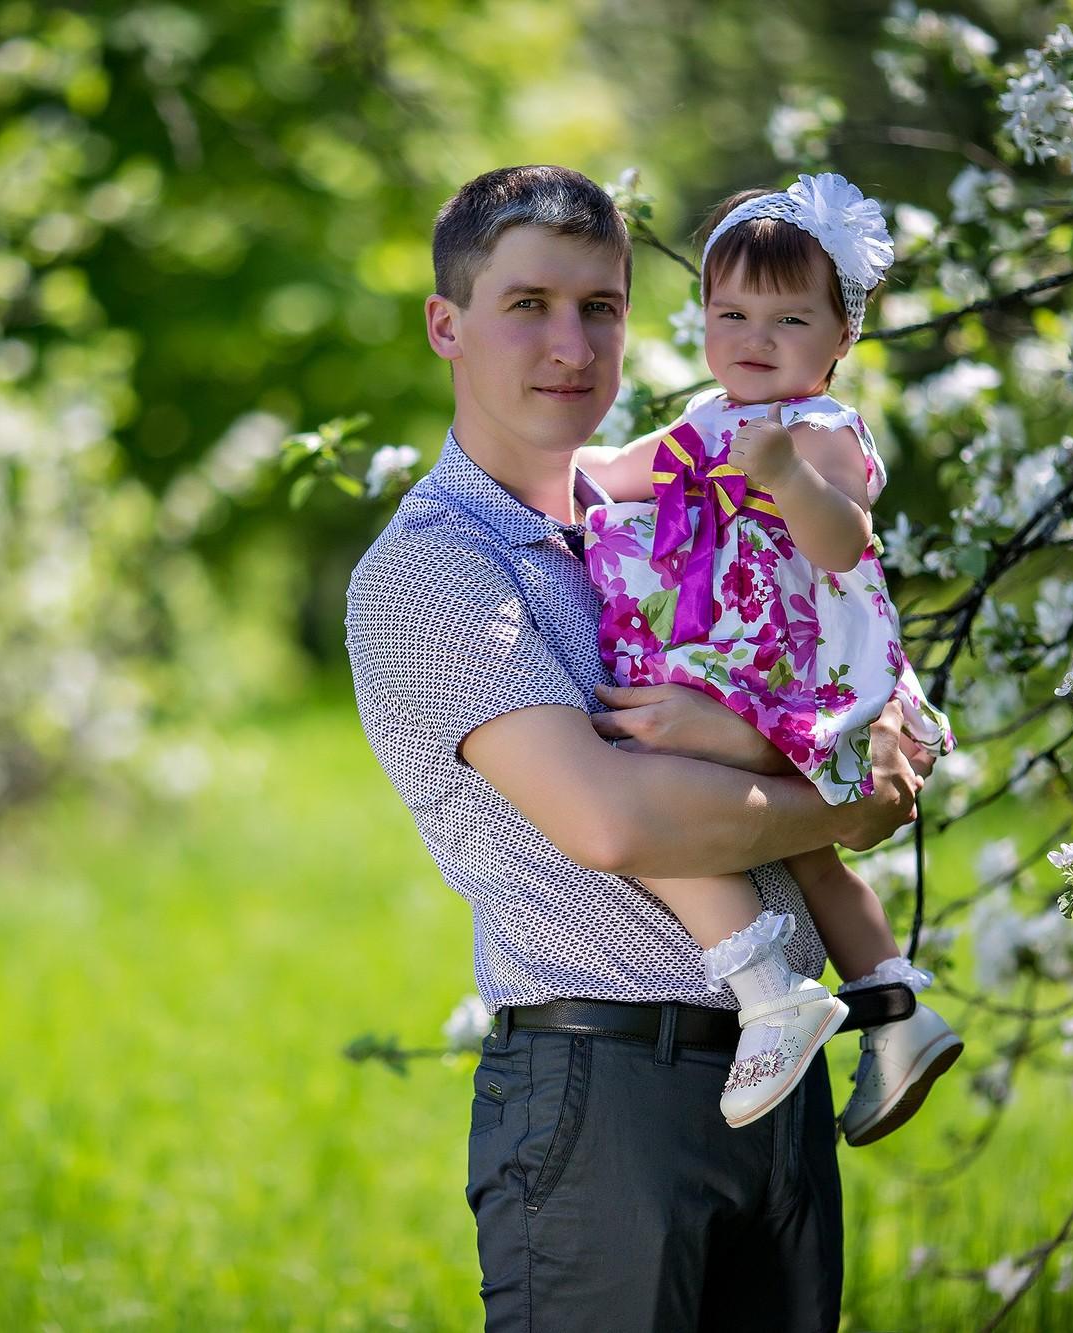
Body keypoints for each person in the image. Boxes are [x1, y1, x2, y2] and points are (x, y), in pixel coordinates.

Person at [344, 163, 931, 1330]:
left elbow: (847, 679)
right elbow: (613, 819)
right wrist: (839, 795)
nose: (571, 345)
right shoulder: (434, 570)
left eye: (599, 308)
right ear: (444, 325)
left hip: (781, 1089)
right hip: (604, 1098)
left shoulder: (681, 514)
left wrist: (810, 727)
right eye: (527, 305)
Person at [576, 174, 963, 1140]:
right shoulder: (707, 420)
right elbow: (605, 475)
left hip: (797, 668)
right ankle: (893, 1011)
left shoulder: (819, 434)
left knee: (652, 793)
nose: (755, 337)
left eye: (789, 318)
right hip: (742, 662)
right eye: (731, 312)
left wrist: (785, 473)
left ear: (842, 340)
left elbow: (842, 546)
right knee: (812, 853)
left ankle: (769, 989)